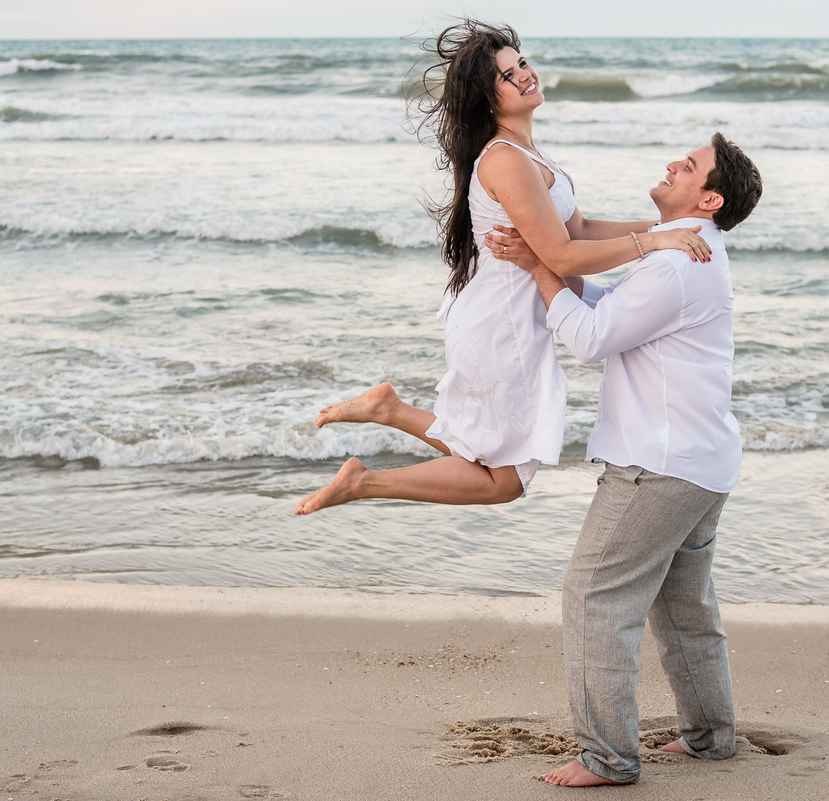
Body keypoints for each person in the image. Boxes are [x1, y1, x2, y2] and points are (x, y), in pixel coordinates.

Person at [294, 20, 710, 515]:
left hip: (515, 319)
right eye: (508, 76)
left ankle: (389, 411)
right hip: (500, 324)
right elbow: (561, 256)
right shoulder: (505, 160)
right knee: (504, 477)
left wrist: (681, 223)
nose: (525, 75)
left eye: (522, 64)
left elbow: (581, 229)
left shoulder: (529, 152)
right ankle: (364, 480)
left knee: (493, 459)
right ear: (487, 99)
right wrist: (656, 240)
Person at [487, 133, 762, 786]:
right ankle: (710, 736)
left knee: (594, 597)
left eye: (688, 166)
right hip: (702, 461)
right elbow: (611, 311)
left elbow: (589, 338)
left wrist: (537, 266)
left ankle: (608, 756)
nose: (673, 164)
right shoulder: (688, 254)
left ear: (710, 197)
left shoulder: (674, 265)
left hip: (658, 466)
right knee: (682, 605)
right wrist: (550, 265)